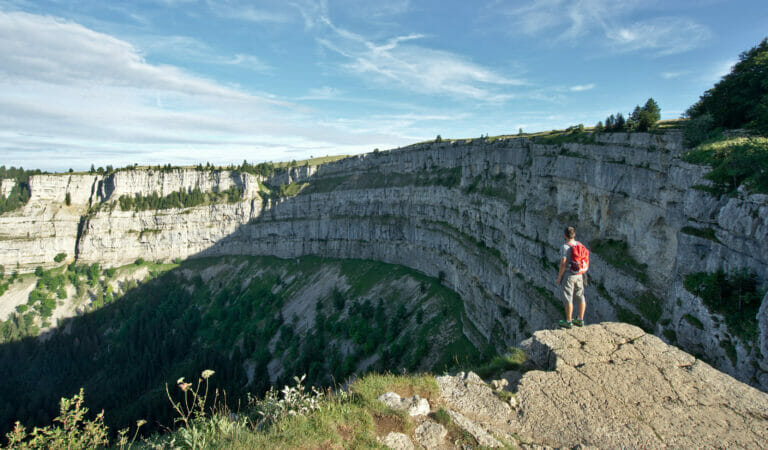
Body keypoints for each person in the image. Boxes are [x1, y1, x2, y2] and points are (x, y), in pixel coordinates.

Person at [556, 226, 587, 328]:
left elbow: (563, 263)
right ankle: (580, 319)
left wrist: (559, 277)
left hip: (569, 275)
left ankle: (568, 321)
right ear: (574, 235)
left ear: (565, 235)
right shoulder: (580, 244)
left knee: (568, 297)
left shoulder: (565, 247)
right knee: (580, 296)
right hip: (579, 274)